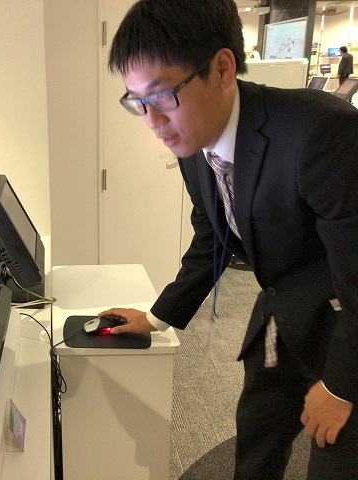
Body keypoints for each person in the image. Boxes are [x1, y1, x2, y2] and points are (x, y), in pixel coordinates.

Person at [97, 1, 358, 478]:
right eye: (137, 102)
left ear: (221, 68)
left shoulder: (322, 132)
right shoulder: (193, 139)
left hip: (347, 332)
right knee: (256, 439)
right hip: (282, 317)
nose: (152, 121)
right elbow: (210, 238)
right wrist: (156, 317)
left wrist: (341, 387)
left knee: (335, 458)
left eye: (161, 96)